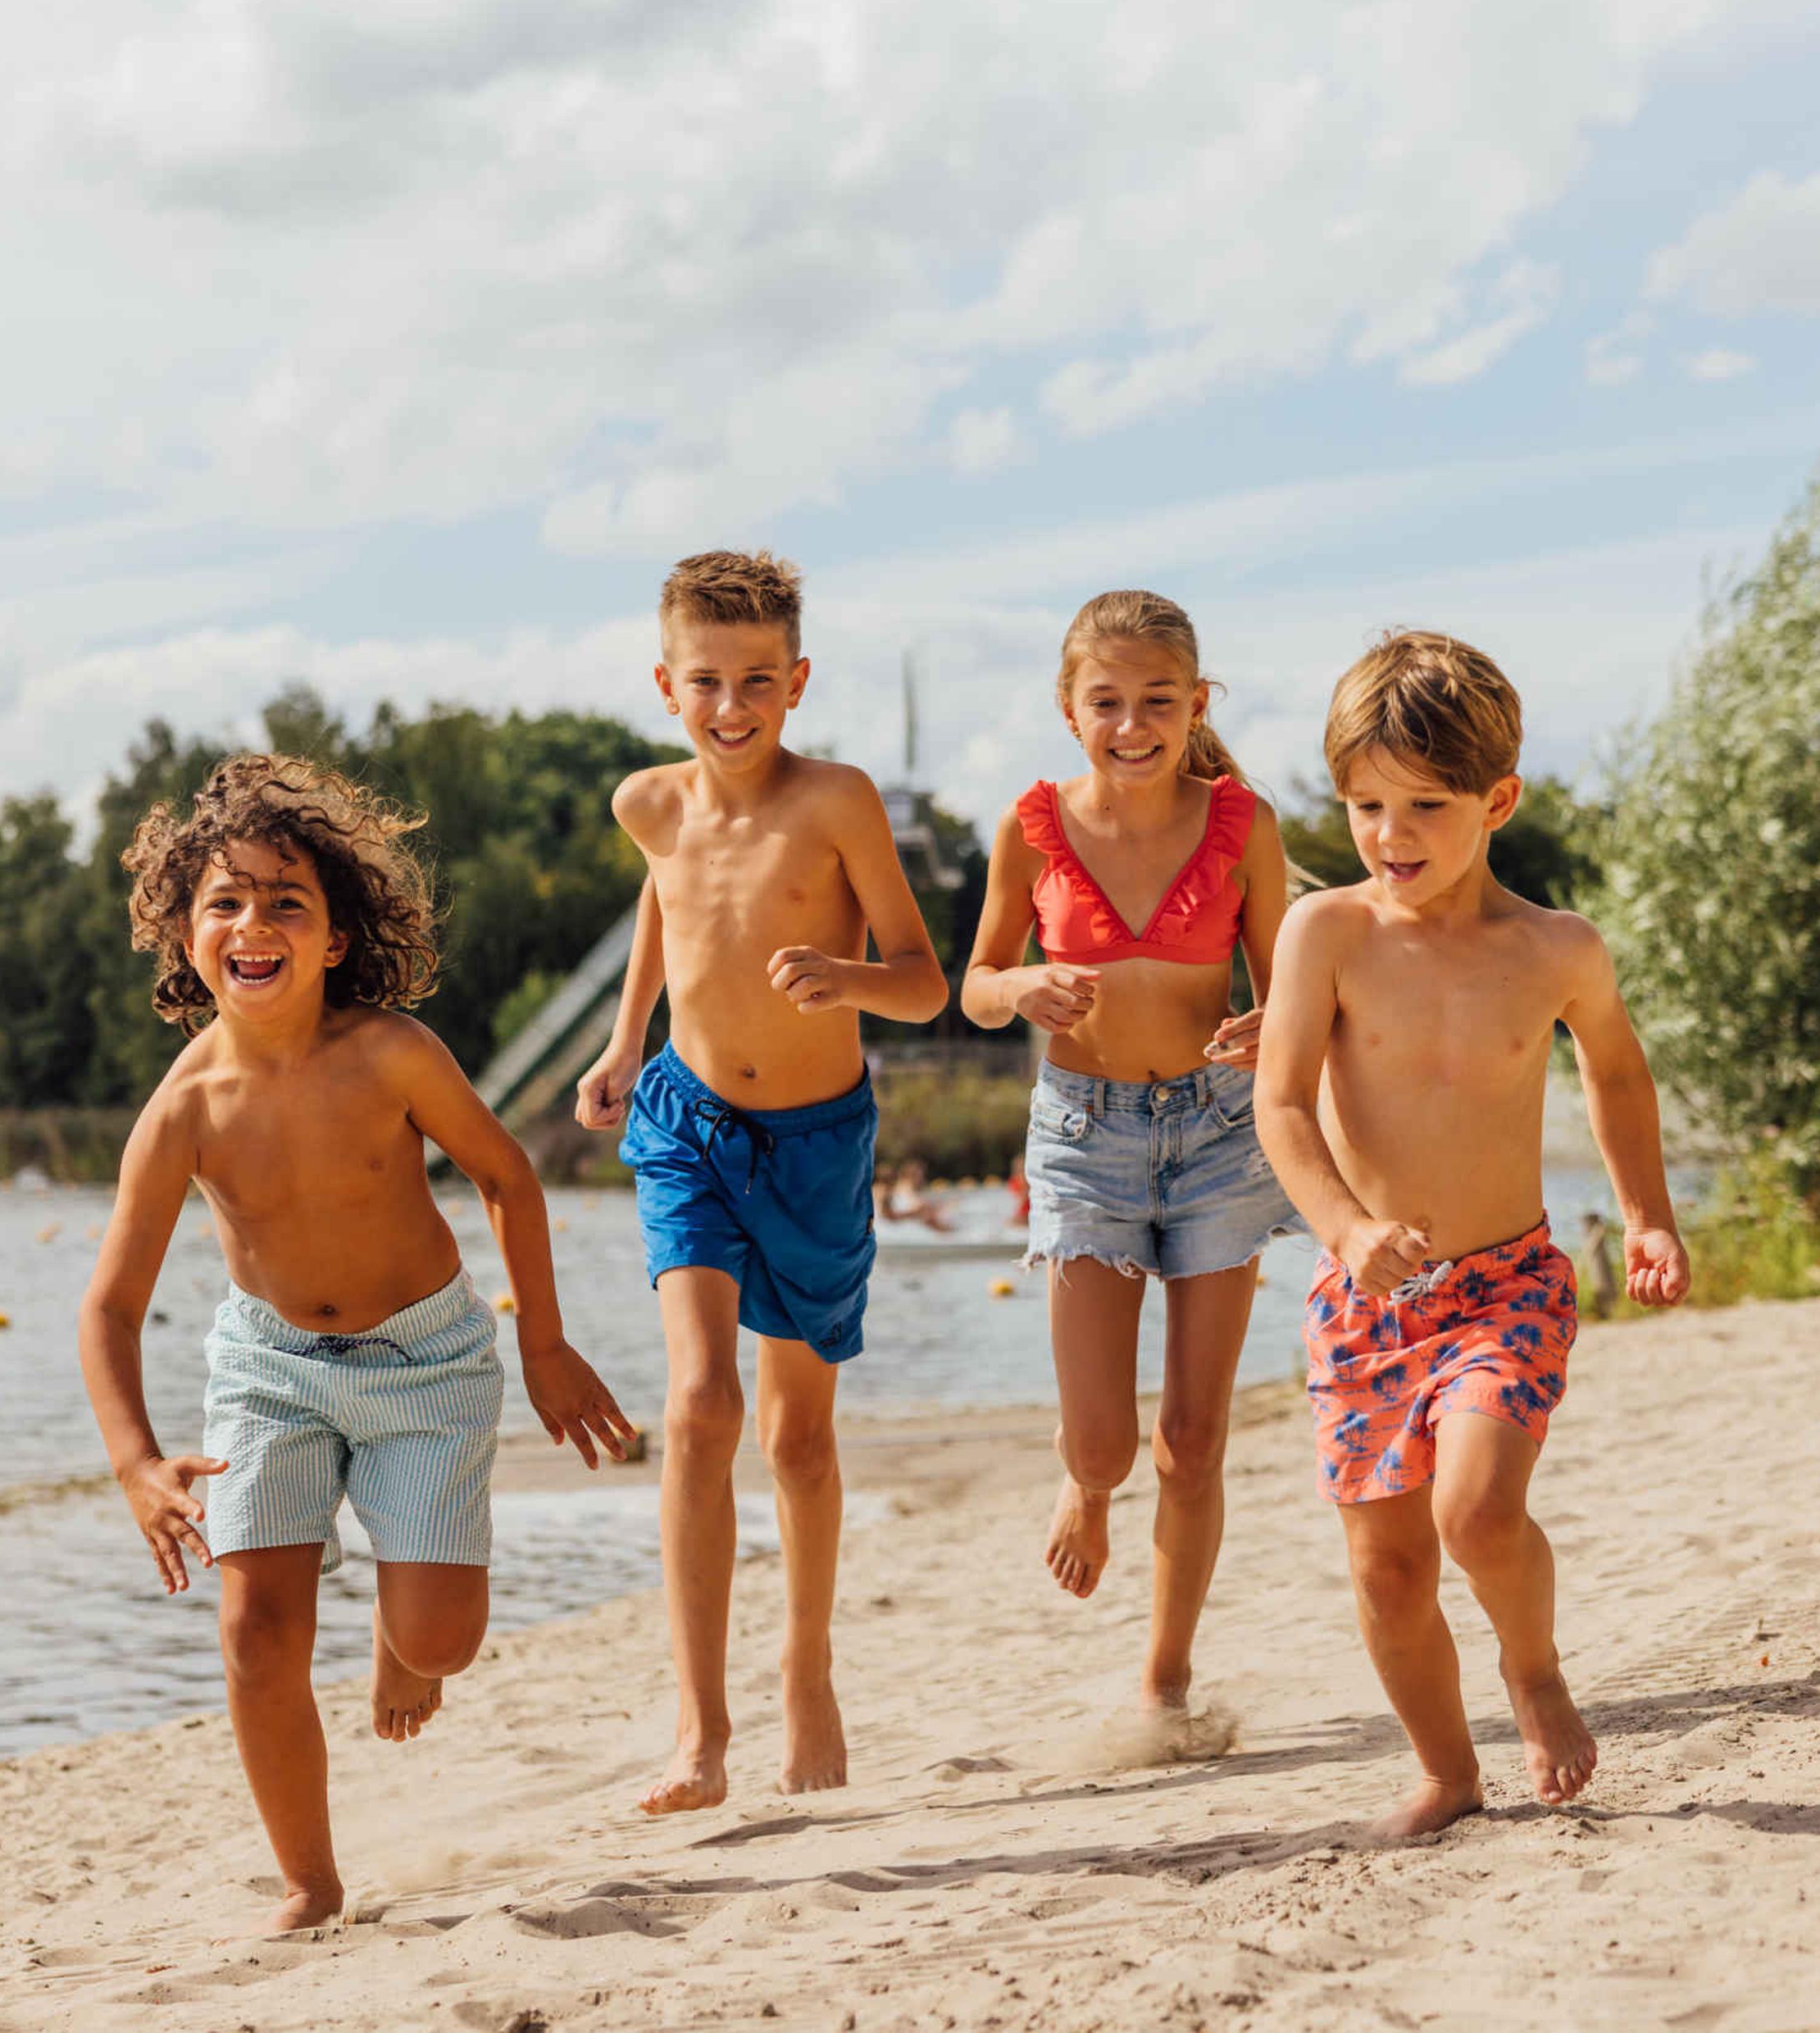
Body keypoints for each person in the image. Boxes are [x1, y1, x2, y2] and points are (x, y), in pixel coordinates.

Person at [78, 754, 637, 1933]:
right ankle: (310, 1880)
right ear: (186, 937)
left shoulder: (390, 1054)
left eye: (288, 901)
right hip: (269, 1374)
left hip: (427, 1361)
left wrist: (540, 1342)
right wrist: (134, 1459)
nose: (254, 924)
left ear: (333, 939)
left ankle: (400, 1642)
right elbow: (110, 1307)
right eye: (224, 902)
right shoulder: (183, 1110)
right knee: (255, 1628)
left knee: (447, 1637)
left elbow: (506, 1177)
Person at [1254, 630, 1689, 1839]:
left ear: (1498, 799)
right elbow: (1280, 1102)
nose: (1391, 836)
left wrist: (1647, 1214)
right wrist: (1343, 1231)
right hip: (1366, 1302)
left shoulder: (1555, 949)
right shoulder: (1325, 935)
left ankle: (1533, 1667)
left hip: (1508, 1284)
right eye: (1365, 806)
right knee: (1387, 1572)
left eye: (1425, 807)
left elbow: (1617, 1075)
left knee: (1475, 1516)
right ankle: (1447, 1771)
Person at [574, 548, 948, 1814]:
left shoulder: (837, 801)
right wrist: (628, 1043)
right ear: (664, 683)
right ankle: (700, 1725)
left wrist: (848, 983)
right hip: (686, 1124)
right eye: (704, 682)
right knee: (696, 1408)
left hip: (817, 1142)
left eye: (754, 682)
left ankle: (807, 1670)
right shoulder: (646, 804)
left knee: (795, 1439)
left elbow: (924, 976)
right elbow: (664, 910)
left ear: (795, 681)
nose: (729, 707)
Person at [959, 589, 1295, 1728]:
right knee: (1104, 1442)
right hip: (1083, 1137)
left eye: (1159, 701)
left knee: (1192, 1439)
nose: (1133, 724)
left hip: (1217, 1136)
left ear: (1197, 704)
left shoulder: (1244, 822)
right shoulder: (1035, 824)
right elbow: (975, 980)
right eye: (1107, 702)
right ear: (1070, 709)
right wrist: (1020, 988)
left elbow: (1287, 983)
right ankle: (1085, 1484)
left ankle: (1166, 1673)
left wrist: (1269, 1027)